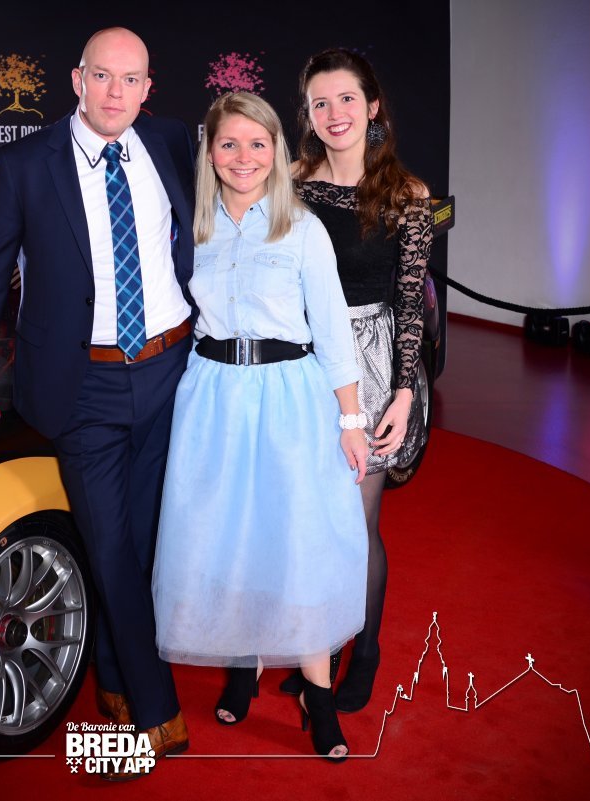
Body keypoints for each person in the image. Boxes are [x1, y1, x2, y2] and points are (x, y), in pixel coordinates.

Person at [0, 27, 195, 777]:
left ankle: (112, 671)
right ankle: (155, 701)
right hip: (84, 385)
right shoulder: (22, 165)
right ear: (76, 79)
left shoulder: (170, 143)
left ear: (148, 87)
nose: (115, 93)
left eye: (130, 79)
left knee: (142, 539)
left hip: (169, 371)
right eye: (102, 76)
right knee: (109, 543)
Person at [151, 91, 369, 760]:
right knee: (225, 538)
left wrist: (351, 419)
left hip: (290, 398)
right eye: (228, 143)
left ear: (275, 150)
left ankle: (318, 695)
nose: (242, 157)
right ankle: (241, 665)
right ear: (210, 152)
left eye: (256, 143)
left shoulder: (302, 227)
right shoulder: (189, 227)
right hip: (212, 396)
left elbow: (332, 330)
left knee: (296, 542)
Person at [278, 48, 434, 712]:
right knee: (308, 518)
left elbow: (410, 305)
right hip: (303, 361)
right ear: (308, 115)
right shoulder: (292, 182)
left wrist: (403, 392)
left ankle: (364, 649)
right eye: (320, 102)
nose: (334, 113)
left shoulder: (407, 195)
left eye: (346, 98)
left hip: (371, 364)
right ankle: (321, 649)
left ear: (372, 107)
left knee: (357, 520)